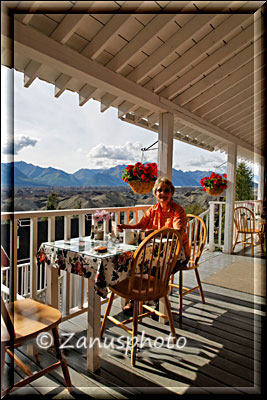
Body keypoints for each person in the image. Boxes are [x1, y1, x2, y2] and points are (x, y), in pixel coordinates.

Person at [117, 177, 190, 314]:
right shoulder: (153, 209)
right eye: (159, 190)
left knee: (157, 267)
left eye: (166, 190)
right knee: (140, 262)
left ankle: (158, 303)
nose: (162, 193)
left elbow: (178, 231)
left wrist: (155, 232)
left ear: (171, 193)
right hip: (156, 253)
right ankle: (139, 299)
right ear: (155, 193)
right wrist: (124, 227)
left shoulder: (178, 211)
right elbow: (140, 226)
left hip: (177, 255)